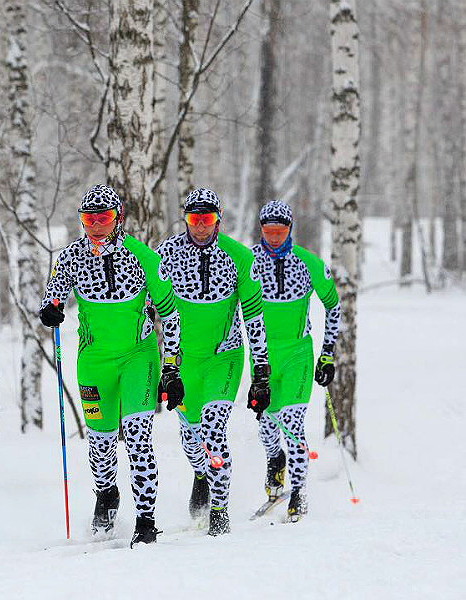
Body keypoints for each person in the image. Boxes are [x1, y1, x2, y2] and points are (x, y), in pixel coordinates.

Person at [39, 185, 184, 548]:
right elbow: (53, 293)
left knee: (137, 438)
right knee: (101, 442)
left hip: (139, 357)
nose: (97, 226)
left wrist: (171, 369)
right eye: (90, 219)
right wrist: (50, 309)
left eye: (104, 218)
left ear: (118, 218)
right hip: (94, 362)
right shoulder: (71, 256)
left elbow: (171, 314)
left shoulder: (143, 257)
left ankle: (146, 520)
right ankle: (106, 494)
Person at [156, 188, 270, 536]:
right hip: (184, 360)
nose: (200, 226)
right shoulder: (167, 254)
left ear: (218, 218)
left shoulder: (239, 257)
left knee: (212, 430)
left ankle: (219, 510)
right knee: (191, 440)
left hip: (225, 356)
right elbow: (151, 306)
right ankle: (202, 473)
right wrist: (166, 367)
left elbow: (253, 314)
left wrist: (261, 370)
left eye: (207, 218)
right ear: (186, 219)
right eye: (194, 219)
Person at [250, 200, 340, 522]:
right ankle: (276, 461)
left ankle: (299, 491)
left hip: (297, 354)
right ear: (260, 229)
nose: (274, 237)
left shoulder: (308, 263)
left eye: (280, 230)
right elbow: (225, 304)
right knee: (265, 423)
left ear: (290, 229)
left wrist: (327, 353)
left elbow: (333, 305)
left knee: (292, 423)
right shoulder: (248, 261)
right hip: (261, 356)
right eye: (268, 231)